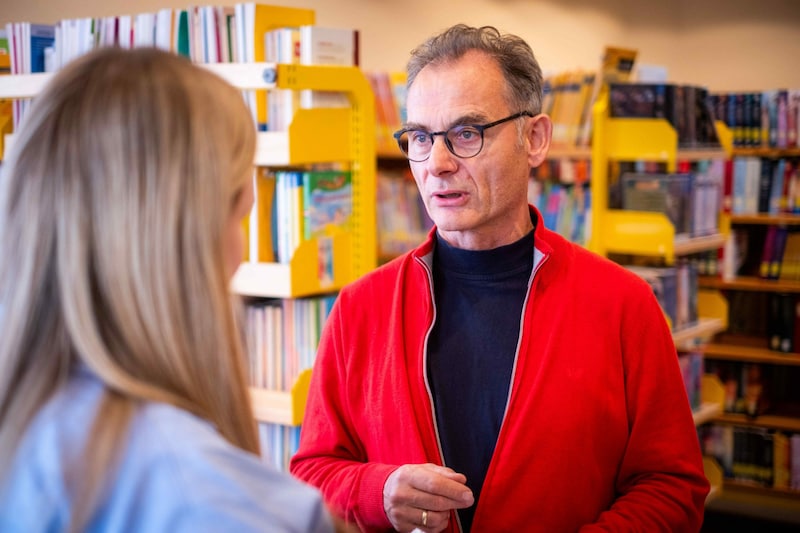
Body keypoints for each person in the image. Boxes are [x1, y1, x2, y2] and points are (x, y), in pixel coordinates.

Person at [290, 24, 710, 532]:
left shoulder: (623, 305)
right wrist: (375, 492)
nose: (437, 164)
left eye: (466, 134)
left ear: (534, 139)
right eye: (420, 137)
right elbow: (313, 470)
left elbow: (672, 486)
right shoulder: (362, 307)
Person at [0, 47, 342, 533]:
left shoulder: (33, 425)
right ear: (186, 240)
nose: (239, 255)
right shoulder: (202, 496)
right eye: (240, 214)